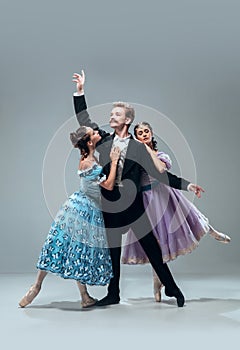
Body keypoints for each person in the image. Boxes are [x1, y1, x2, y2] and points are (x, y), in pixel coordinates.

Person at [72, 70, 204, 307]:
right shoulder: (103, 140)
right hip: (110, 204)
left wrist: (187, 185)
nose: (112, 117)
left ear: (127, 120)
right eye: (111, 114)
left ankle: (172, 287)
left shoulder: (139, 148)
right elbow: (84, 120)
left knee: (152, 249)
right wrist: (80, 91)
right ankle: (113, 294)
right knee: (113, 253)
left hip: (133, 206)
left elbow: (160, 175)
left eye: (117, 114)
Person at [121, 121, 231, 302]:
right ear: (136, 137)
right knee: (156, 245)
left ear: (152, 133)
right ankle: (157, 283)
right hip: (147, 203)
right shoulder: (135, 159)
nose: (144, 135)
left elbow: (164, 173)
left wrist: (188, 185)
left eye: (146, 131)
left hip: (165, 196)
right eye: (140, 133)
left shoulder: (159, 155)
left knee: (192, 217)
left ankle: (213, 232)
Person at [18, 126, 120, 308]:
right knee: (70, 246)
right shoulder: (89, 162)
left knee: (71, 247)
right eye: (94, 132)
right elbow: (109, 185)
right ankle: (37, 287)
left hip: (77, 205)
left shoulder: (88, 157)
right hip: (86, 208)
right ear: (89, 142)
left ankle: (83, 296)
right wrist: (114, 162)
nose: (98, 131)